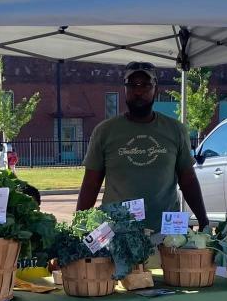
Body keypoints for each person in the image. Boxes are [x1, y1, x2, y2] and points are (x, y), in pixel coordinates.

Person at [76, 61, 209, 231]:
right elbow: (91, 184)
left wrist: (203, 220)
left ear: (156, 89)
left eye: (146, 85)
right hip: (118, 231)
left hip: (167, 232)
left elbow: (188, 180)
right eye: (132, 85)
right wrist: (79, 226)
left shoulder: (176, 130)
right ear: (124, 89)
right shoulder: (105, 131)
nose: (138, 91)